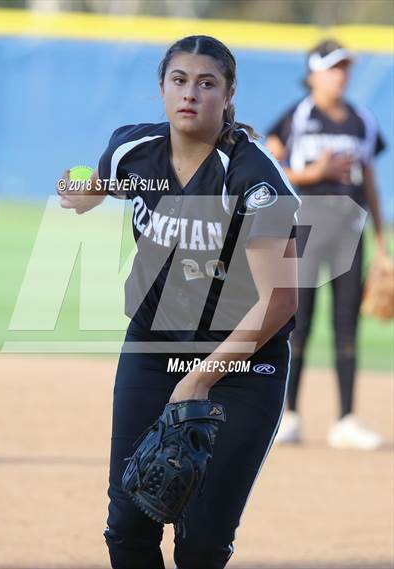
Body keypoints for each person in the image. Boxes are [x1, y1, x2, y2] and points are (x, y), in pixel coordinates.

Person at [58, 35, 301, 569]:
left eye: (206, 83)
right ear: (162, 88)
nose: (190, 93)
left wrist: (197, 379)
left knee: (203, 541)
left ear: (229, 93)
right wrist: (80, 188)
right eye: (179, 80)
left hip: (244, 365)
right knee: (127, 526)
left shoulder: (252, 177)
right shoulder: (133, 150)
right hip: (152, 348)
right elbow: (106, 182)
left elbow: (281, 301)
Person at [266, 39, 388, 450]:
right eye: (334, 68)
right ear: (314, 73)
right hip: (304, 232)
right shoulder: (298, 116)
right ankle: (288, 415)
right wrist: (314, 171)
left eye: (345, 68)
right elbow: (270, 166)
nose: (342, 75)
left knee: (346, 326)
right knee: (297, 325)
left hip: (349, 234)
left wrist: (383, 245)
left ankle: (346, 419)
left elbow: (369, 180)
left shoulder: (361, 120)